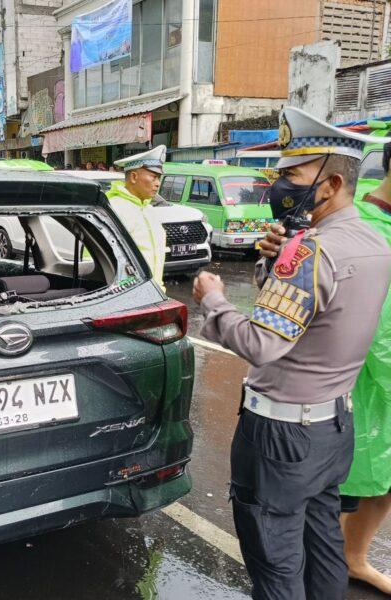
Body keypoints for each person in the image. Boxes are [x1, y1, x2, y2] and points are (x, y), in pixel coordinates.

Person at [193, 107, 391, 600]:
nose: (278, 185)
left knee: (275, 562)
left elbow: (261, 342)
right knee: (323, 547)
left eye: (291, 175)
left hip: (280, 437)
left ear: (330, 184)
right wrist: (272, 262)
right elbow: (321, 312)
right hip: (332, 429)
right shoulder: (371, 240)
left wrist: (212, 299)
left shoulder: (312, 253)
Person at [339, 142, 391, 594]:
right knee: (352, 482)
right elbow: (380, 329)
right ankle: (332, 563)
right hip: (370, 385)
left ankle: (354, 559)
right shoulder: (367, 229)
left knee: (383, 484)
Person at [107, 145, 168, 290]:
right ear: (134, 177)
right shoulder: (114, 208)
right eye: (153, 177)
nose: (158, 183)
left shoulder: (148, 209)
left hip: (153, 293)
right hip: (126, 296)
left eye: (159, 178)